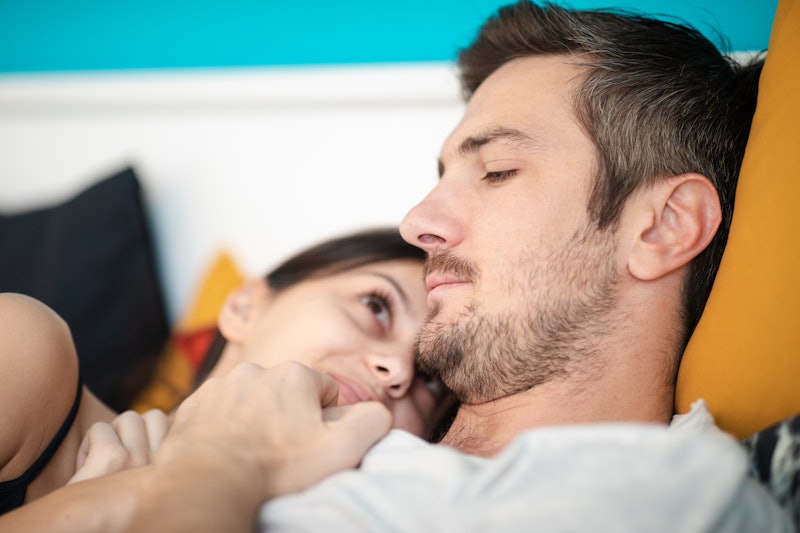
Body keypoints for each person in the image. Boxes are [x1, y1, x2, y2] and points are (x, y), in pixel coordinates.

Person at [0, 2, 793, 531]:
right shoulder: (326, 441)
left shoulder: (657, 495)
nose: (419, 222)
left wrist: (209, 468)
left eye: (497, 171)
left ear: (661, 225)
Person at [0, 228, 453, 523]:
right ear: (244, 307)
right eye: (376, 305)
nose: (397, 370)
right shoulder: (27, 350)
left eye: (430, 376)